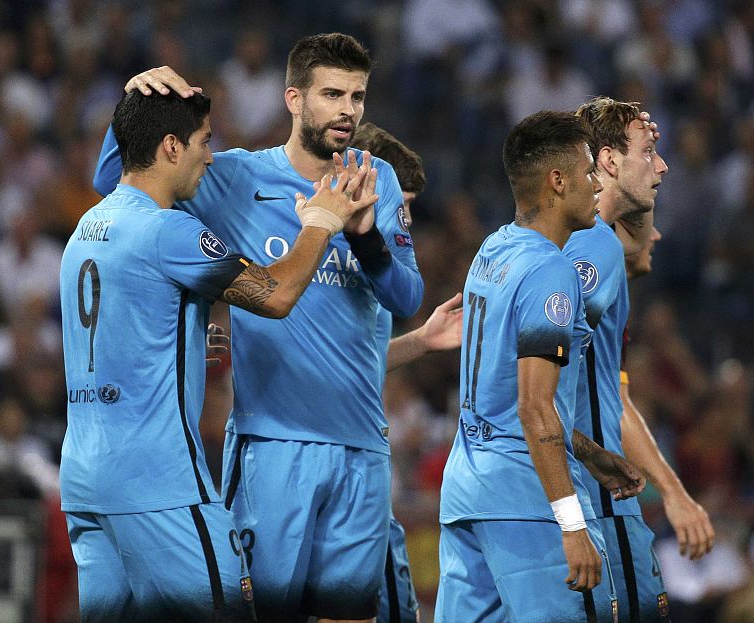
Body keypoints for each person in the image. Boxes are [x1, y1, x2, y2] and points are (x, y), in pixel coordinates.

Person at [93, 33, 423, 623]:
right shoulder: (235, 177)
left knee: (351, 616)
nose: (347, 110)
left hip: (364, 450)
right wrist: (136, 97)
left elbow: (406, 295)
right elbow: (118, 184)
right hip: (274, 446)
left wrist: (367, 241)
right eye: (331, 94)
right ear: (294, 99)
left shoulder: (378, 180)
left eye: (357, 96)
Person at [437, 110, 645, 622]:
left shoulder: (492, 249)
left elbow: (503, 398)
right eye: (587, 170)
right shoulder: (551, 270)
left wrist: (590, 452)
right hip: (526, 501)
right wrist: (571, 523)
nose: (597, 183)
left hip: (468, 493)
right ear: (558, 181)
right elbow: (534, 407)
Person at [564, 96, 713, 623]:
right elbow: (532, 389)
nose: (663, 167)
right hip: (595, 495)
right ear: (606, 161)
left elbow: (609, 391)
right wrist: (673, 494)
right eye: (651, 152)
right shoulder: (592, 251)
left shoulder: (575, 248)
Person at [353, 121, 462, 623]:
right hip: (338, 466)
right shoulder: (333, 265)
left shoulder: (378, 277)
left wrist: (420, 341)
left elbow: (359, 362)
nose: (408, 220)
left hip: (365, 472)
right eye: (403, 204)